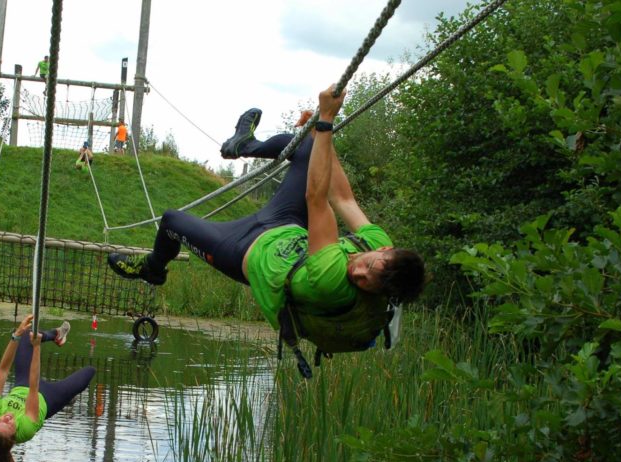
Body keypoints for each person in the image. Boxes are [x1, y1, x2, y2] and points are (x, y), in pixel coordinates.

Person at [107, 85, 425, 340]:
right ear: (385, 250)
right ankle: (244, 145)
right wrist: (319, 135)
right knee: (306, 146)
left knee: (171, 221)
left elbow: (317, 198)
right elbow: (343, 198)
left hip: (242, 251)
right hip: (283, 225)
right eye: (369, 266)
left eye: (369, 283)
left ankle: (153, 269)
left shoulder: (333, 282)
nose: (359, 274)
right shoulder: (376, 240)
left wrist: (327, 119)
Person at [0, 316, 95, 462]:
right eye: (9, 424)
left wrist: (15, 336)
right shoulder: (26, 430)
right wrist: (36, 347)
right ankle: (67, 399)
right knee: (89, 372)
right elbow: (34, 387)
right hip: (47, 398)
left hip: (22, 384)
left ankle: (57, 334)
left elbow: (3, 370)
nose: (7, 417)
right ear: (14, 435)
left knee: (27, 334)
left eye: (1, 421)